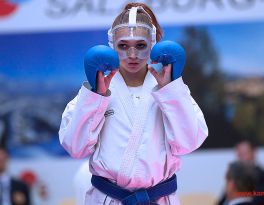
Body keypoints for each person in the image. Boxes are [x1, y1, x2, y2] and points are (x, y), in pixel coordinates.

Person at [59, 2, 208, 205]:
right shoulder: (99, 90)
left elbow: (189, 143)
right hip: (109, 199)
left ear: (152, 44)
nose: (132, 55)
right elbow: (75, 148)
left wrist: (171, 92)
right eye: (123, 46)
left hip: (159, 199)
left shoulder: (172, 90)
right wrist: (97, 97)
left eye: (140, 45)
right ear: (112, 45)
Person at [217, 140, 264, 205]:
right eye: (239, 155)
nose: (242, 158)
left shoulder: (262, 176)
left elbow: (262, 200)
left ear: (253, 153)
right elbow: (224, 198)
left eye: (244, 154)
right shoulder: (234, 174)